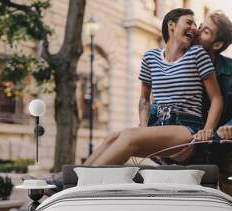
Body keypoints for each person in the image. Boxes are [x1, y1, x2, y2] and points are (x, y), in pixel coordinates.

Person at [83, 8, 223, 166]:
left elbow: (217, 98)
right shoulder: (151, 57)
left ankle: (82, 184)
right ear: (171, 25)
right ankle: (70, 180)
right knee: (112, 138)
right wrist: (143, 124)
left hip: (185, 127)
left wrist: (208, 129)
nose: (194, 28)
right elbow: (144, 98)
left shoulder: (197, 55)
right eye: (189, 22)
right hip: (156, 124)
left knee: (129, 136)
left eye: (195, 25)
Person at [194, 10, 232, 198]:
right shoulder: (183, 65)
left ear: (218, 44)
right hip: (191, 148)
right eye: (200, 25)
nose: (197, 31)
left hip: (226, 147)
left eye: (206, 31)